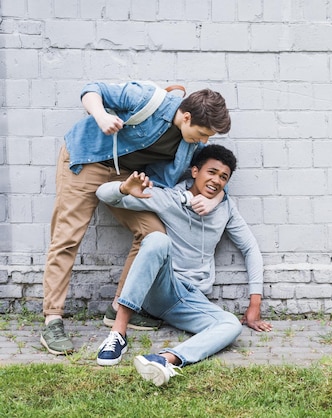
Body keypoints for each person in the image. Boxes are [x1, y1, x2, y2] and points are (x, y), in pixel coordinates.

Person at [41, 81, 231, 355]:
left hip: (126, 178)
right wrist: (101, 115)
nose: (203, 141)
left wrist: (214, 198)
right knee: (67, 237)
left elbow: (206, 174)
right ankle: (52, 319)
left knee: (154, 235)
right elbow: (92, 89)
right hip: (87, 160)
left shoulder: (188, 144)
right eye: (202, 133)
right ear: (187, 117)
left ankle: (119, 307)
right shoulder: (148, 99)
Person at [94, 144, 272, 386]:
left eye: (223, 177)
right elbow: (102, 194)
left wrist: (255, 303)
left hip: (191, 300)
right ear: (195, 172)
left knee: (230, 324)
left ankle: (164, 359)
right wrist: (124, 188)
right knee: (157, 239)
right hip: (163, 288)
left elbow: (250, 248)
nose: (216, 180)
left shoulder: (226, 208)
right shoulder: (170, 199)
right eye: (212, 172)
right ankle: (118, 333)